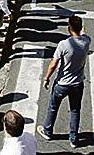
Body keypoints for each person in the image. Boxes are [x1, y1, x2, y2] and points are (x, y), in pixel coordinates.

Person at [38, 16, 90, 148]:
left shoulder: (64, 45)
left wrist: (46, 78)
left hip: (62, 83)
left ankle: (48, 131)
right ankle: (73, 138)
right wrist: (82, 32)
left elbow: (53, 64)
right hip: (77, 83)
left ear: (69, 28)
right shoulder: (86, 41)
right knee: (75, 110)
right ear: (81, 28)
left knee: (53, 107)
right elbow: (83, 35)